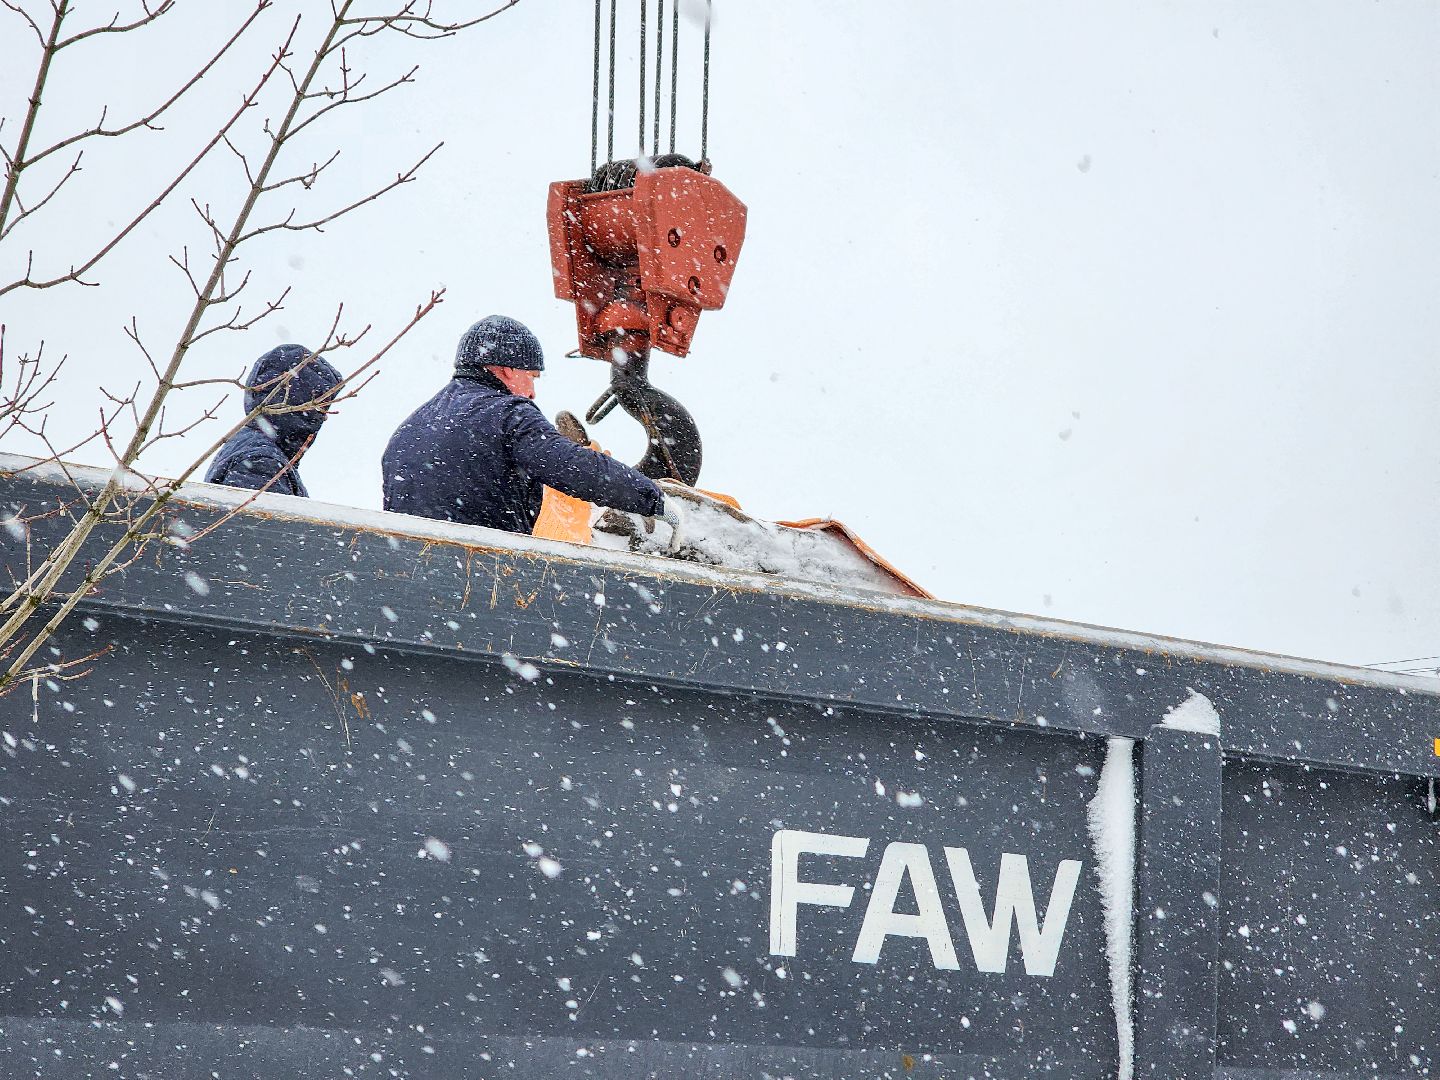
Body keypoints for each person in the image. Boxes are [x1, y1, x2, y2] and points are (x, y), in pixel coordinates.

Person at [382, 315, 683, 539]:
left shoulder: (409, 429)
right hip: (482, 576)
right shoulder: (508, 414)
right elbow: (574, 467)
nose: (533, 392)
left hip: (413, 578)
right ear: (506, 369)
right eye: (533, 377)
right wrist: (652, 499)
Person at [204, 343, 341, 497]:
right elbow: (261, 520)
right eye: (319, 406)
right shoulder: (261, 461)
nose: (325, 417)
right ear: (295, 402)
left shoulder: (253, 448)